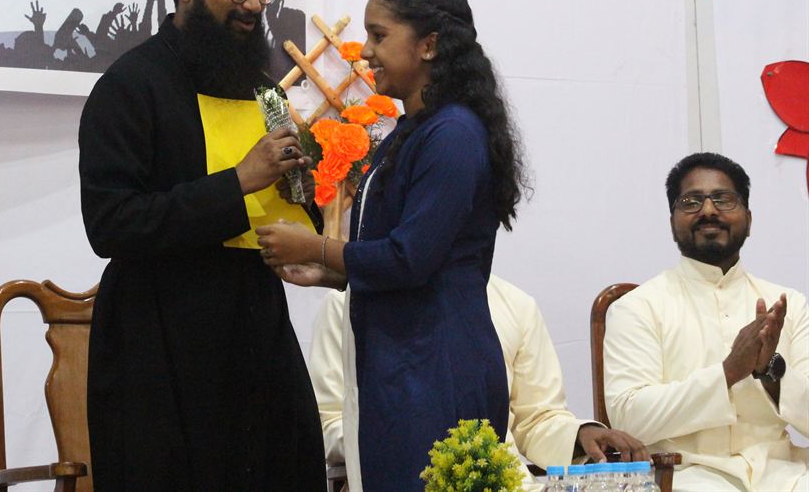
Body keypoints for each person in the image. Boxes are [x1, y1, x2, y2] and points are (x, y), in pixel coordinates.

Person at [78, 0, 325, 491]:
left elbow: (285, 202)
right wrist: (237, 182)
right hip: (158, 344)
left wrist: (301, 195)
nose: (254, 4)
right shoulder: (129, 86)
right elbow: (110, 224)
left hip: (256, 331)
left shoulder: (263, 91)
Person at [256, 0, 525, 490]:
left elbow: (409, 258)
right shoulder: (414, 129)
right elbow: (407, 258)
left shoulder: (452, 134)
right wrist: (333, 274)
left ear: (429, 45)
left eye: (379, 35)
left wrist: (319, 247)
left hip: (437, 372)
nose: (365, 52)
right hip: (403, 367)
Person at [309, 279, 649, 491]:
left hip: (503, 482)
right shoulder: (350, 303)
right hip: (399, 480)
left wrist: (579, 434)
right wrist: (403, 439)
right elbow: (329, 422)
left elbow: (536, 418)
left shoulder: (514, 304)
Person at [604, 152, 807, 492]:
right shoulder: (637, 307)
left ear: (749, 219)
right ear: (672, 222)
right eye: (691, 202)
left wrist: (769, 370)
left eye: (723, 199)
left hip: (785, 477)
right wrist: (727, 373)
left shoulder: (789, 304)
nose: (709, 211)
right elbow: (629, 418)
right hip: (687, 478)